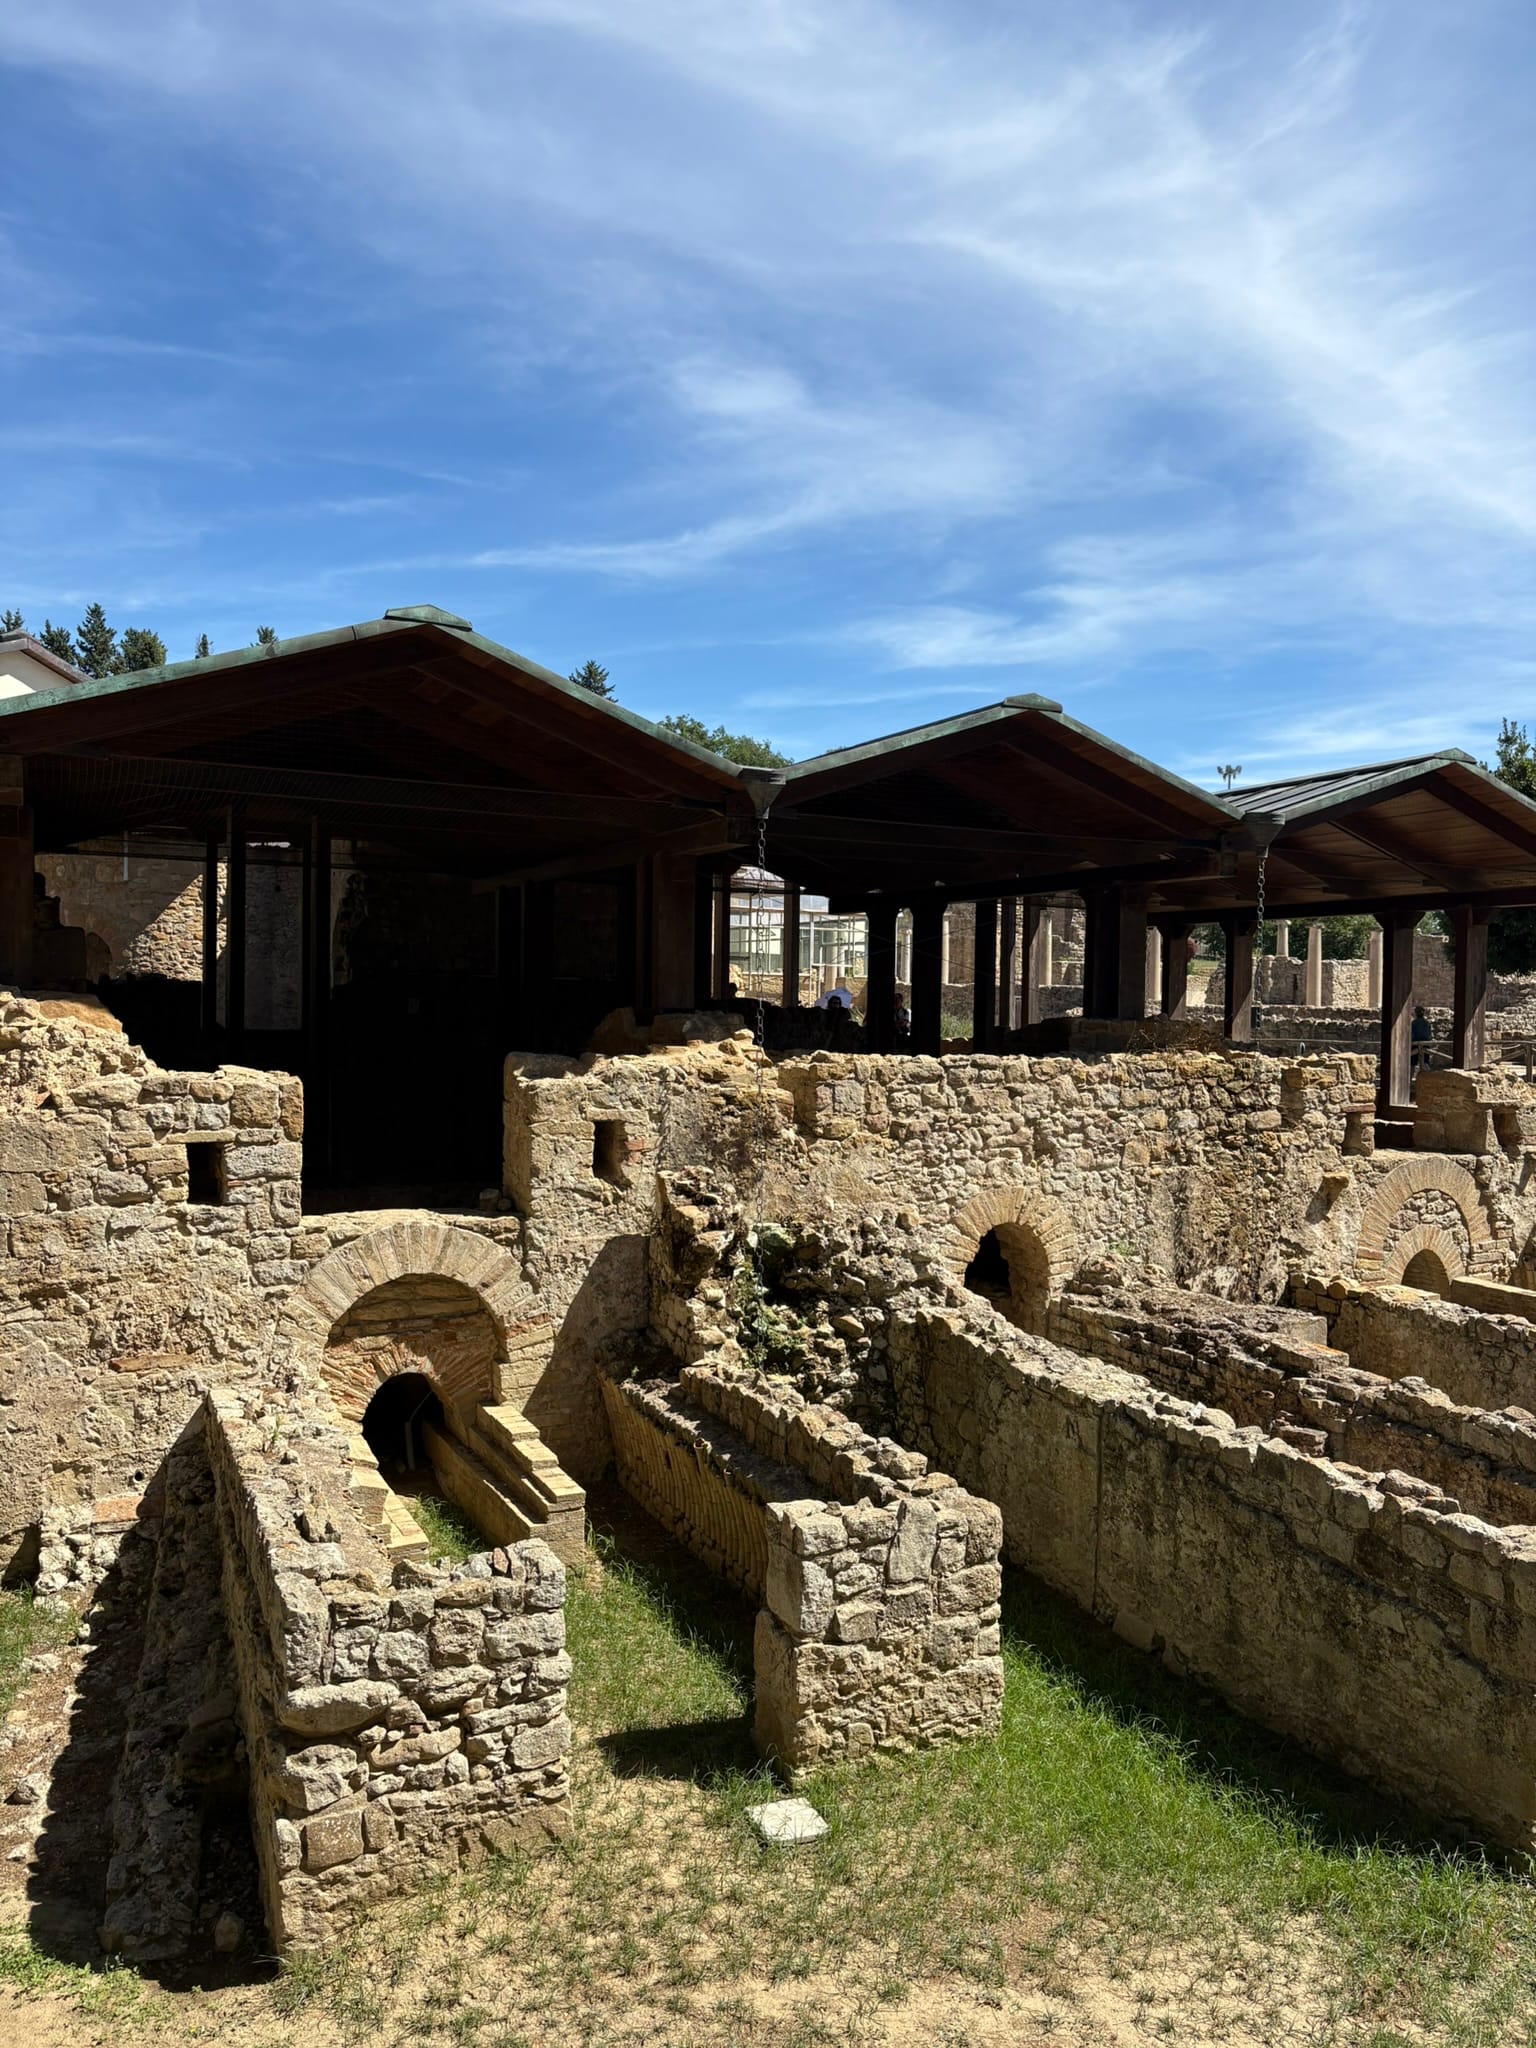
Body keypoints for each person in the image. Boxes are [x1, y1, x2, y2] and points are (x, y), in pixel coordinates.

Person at [1411, 1004, 1434, 1074]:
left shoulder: (1413, 1023)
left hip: (1415, 1044)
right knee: (1426, 1062)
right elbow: (1429, 1034)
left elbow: (1411, 1034)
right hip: (1426, 1044)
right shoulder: (1427, 1023)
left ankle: (1410, 1077)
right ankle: (1427, 1077)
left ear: (1416, 1013)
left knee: (1412, 1063)